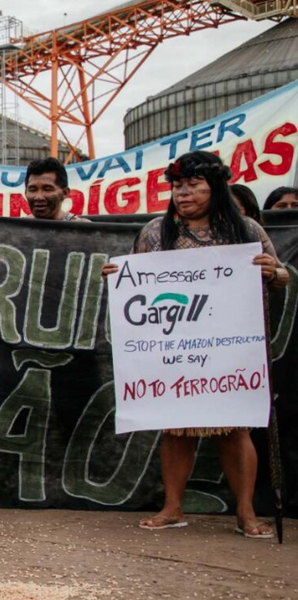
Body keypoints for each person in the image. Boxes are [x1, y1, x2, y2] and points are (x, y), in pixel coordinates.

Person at [101, 151, 288, 539]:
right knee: (175, 427)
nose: (183, 193)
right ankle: (172, 507)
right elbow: (137, 279)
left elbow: (282, 274)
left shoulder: (247, 230)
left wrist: (274, 271)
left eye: (193, 186)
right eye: (177, 186)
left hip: (230, 347)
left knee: (234, 428)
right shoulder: (155, 232)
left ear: (214, 187)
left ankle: (246, 511)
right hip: (175, 348)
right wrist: (119, 277)